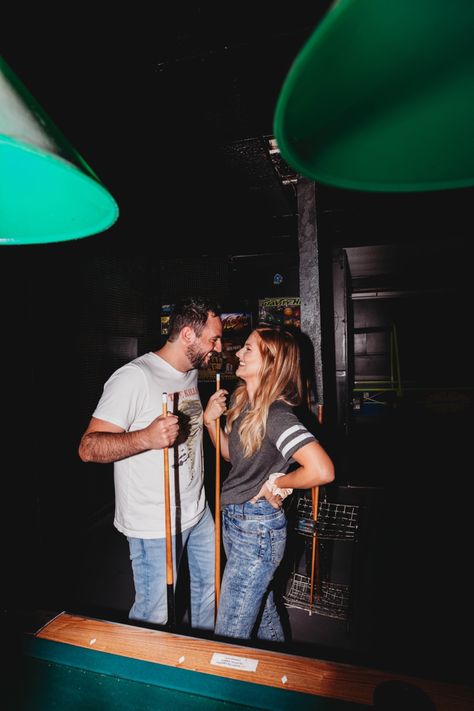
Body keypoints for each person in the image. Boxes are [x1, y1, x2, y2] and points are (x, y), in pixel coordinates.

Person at [78, 296, 223, 631]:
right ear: (188, 335)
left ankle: (200, 664)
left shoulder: (189, 372)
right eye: (212, 339)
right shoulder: (133, 378)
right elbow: (88, 447)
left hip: (197, 511)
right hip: (154, 522)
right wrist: (145, 437)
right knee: (154, 614)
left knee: (209, 595)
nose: (217, 347)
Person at [203, 326, 335, 643]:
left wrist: (281, 480)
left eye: (248, 349)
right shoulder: (244, 402)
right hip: (237, 519)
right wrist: (210, 422)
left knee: (230, 631)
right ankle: (281, 676)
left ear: (272, 363)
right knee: (262, 613)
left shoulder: (277, 414)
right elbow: (230, 455)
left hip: (257, 528)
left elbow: (322, 469)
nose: (238, 354)